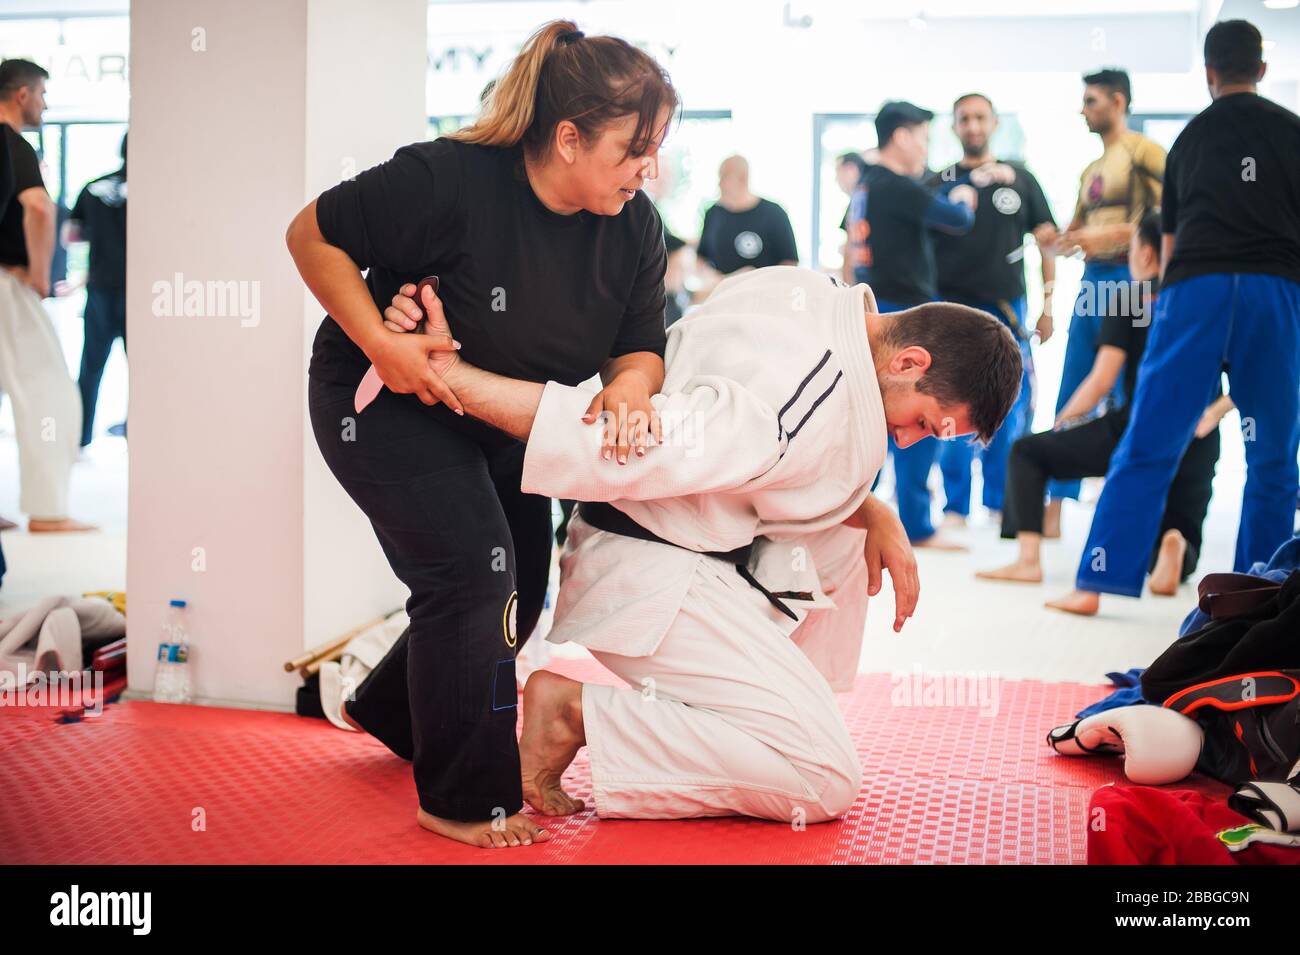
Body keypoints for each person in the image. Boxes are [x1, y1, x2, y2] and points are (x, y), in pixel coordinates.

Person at [384, 265, 1021, 824]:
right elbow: (616, 444)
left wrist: (872, 511)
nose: (907, 442)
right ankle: (575, 715)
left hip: (670, 540)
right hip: (646, 571)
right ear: (910, 362)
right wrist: (454, 378)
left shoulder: (811, 290)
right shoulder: (794, 414)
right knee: (825, 779)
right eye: (922, 424)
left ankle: (769, 710)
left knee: (852, 538)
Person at [286, 20, 677, 850]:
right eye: (634, 149)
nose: (650, 169)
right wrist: (382, 342)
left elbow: (639, 344)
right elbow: (310, 235)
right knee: (473, 572)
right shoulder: (447, 178)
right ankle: (463, 798)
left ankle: (391, 710)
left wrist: (632, 392)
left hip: (498, 416)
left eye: (658, 148)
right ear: (568, 138)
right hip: (382, 398)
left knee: (520, 584)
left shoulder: (633, 225)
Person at [1052, 19, 1300, 614]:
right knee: (1272, 453)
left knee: (1149, 439)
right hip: (1277, 290)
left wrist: (1163, 301)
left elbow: (1166, 236)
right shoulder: (1293, 132)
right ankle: (1257, 599)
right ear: (1261, 71)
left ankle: (1095, 584)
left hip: (1197, 289)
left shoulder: (1190, 139)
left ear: (1210, 72)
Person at [975, 211, 1224, 601]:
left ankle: (1027, 561)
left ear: (1143, 253)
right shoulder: (1211, 301)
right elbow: (1248, 370)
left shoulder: (1130, 298)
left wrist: (1064, 420)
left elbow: (1102, 378)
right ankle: (1175, 546)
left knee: (1027, 452)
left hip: (1137, 427)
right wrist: (1213, 413)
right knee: (1178, 522)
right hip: (1200, 434)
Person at [1039, 67, 1165, 537]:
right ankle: (1053, 505)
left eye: (1091, 101)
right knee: (1074, 384)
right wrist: (1061, 237)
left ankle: (1133, 508)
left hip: (1132, 280)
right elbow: (1075, 231)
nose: (1083, 110)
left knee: (1126, 392)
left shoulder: (1145, 153)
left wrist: (1103, 235)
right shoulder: (1090, 169)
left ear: (1117, 101)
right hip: (1093, 283)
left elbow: (1170, 218)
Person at [846, 100, 977, 548]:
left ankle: (851, 511)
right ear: (901, 136)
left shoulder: (866, 183)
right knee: (919, 410)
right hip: (905, 314)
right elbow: (957, 220)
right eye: (922, 136)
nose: (925, 147)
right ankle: (918, 525)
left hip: (874, 310)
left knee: (873, 416)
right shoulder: (895, 186)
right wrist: (964, 193)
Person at [929, 93, 1057, 525]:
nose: (973, 125)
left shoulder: (1020, 178)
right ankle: (954, 506)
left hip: (1008, 309)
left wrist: (1049, 305)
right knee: (949, 402)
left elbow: (1046, 241)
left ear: (995, 122)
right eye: (964, 118)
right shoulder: (938, 182)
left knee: (1008, 405)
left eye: (980, 117)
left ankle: (1002, 503)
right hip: (950, 310)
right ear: (954, 125)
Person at [0, 59, 93, 533]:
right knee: (50, 393)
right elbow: (37, 206)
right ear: (21, 95)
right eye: (41, 94)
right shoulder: (10, 143)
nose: (45, 104)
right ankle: (48, 510)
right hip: (9, 284)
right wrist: (39, 275)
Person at [65, 132, 128, 447]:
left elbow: (73, 235)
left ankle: (81, 436)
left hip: (100, 287)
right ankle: (138, 432)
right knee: (146, 369)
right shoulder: (156, 190)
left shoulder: (92, 188)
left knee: (90, 367)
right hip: (139, 292)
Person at [696, 155, 798, 276]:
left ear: (743, 179)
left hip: (764, 291)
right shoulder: (713, 214)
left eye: (724, 177)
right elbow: (701, 258)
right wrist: (713, 278)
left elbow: (790, 262)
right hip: (723, 291)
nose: (720, 184)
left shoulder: (774, 214)